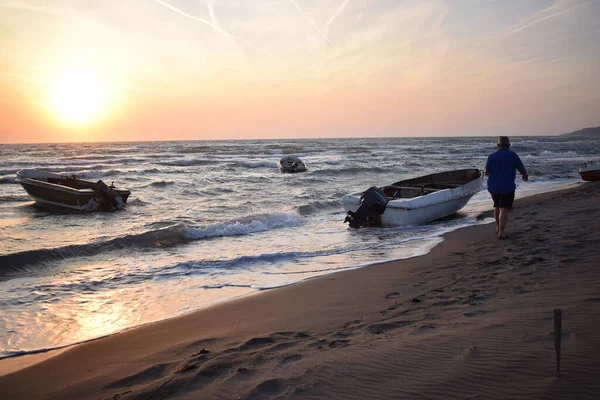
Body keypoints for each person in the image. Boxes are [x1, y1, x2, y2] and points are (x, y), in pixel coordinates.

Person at [484, 136, 528, 239]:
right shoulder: (513, 156)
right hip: (507, 187)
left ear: (498, 145)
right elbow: (521, 169)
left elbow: (486, 172)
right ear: (509, 145)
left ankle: (498, 227)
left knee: (497, 206)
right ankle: (501, 232)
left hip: (493, 187)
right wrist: (525, 176)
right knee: (504, 208)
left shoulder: (491, 156)